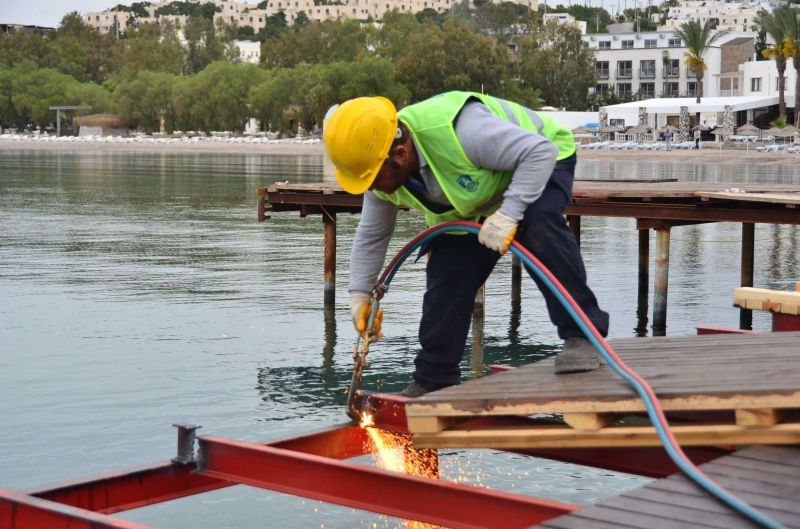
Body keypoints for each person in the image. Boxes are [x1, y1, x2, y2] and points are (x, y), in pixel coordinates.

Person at [324, 91, 609, 397]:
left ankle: (583, 337)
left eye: (372, 179)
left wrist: (510, 214)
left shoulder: (463, 131)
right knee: (447, 272)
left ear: (401, 154)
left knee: (540, 227)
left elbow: (539, 152)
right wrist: (359, 296)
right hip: (474, 200)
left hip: (538, 160)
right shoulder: (379, 167)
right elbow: (372, 235)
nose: (370, 187)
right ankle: (434, 379)